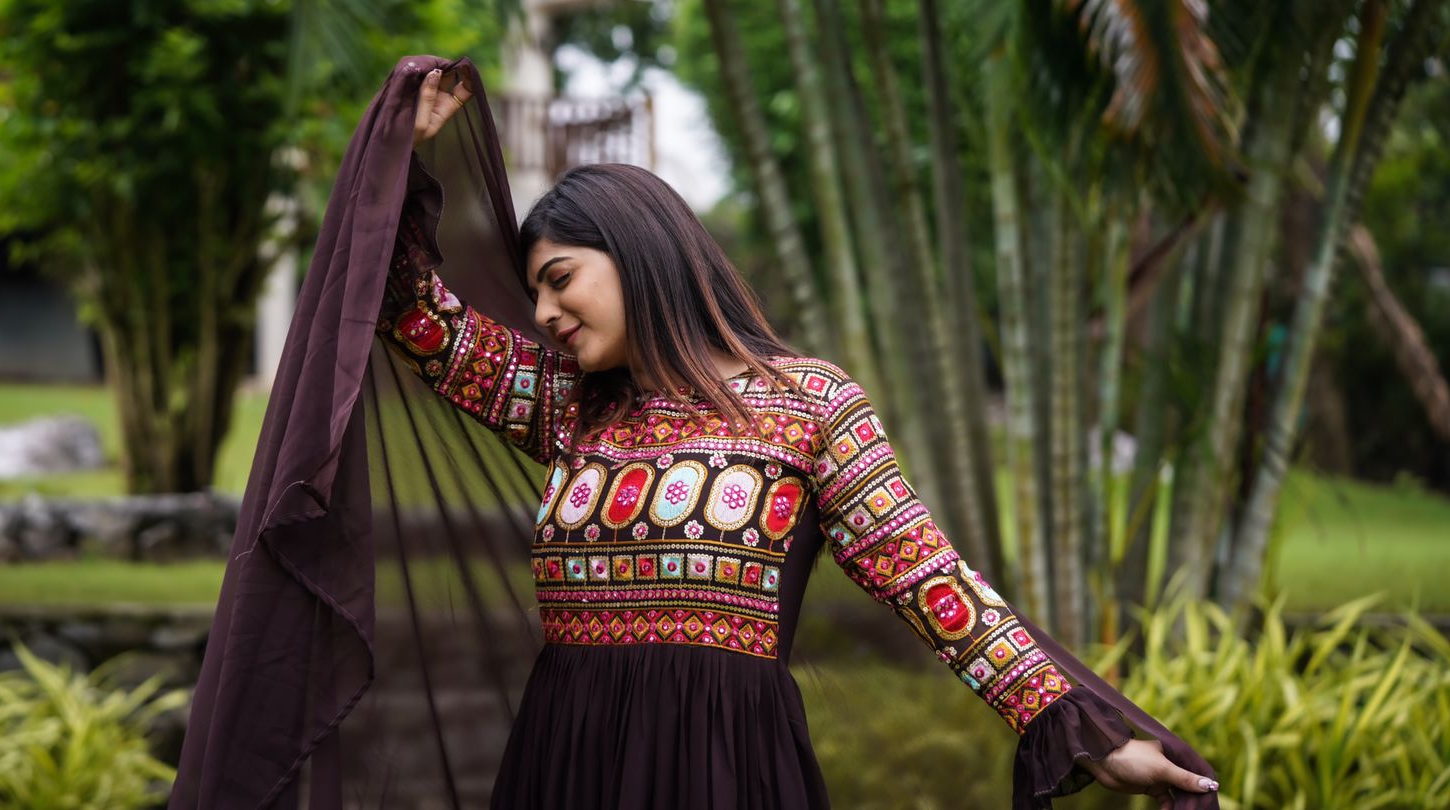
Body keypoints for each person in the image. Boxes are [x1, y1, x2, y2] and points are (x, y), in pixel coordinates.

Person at [170, 55, 1218, 810]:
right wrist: (399, 143)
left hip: (725, 768)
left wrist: (1080, 726)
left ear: (635, 250)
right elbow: (405, 309)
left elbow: (929, 579)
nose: (541, 313)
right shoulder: (568, 404)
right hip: (565, 761)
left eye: (558, 280)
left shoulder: (808, 403)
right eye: (533, 293)